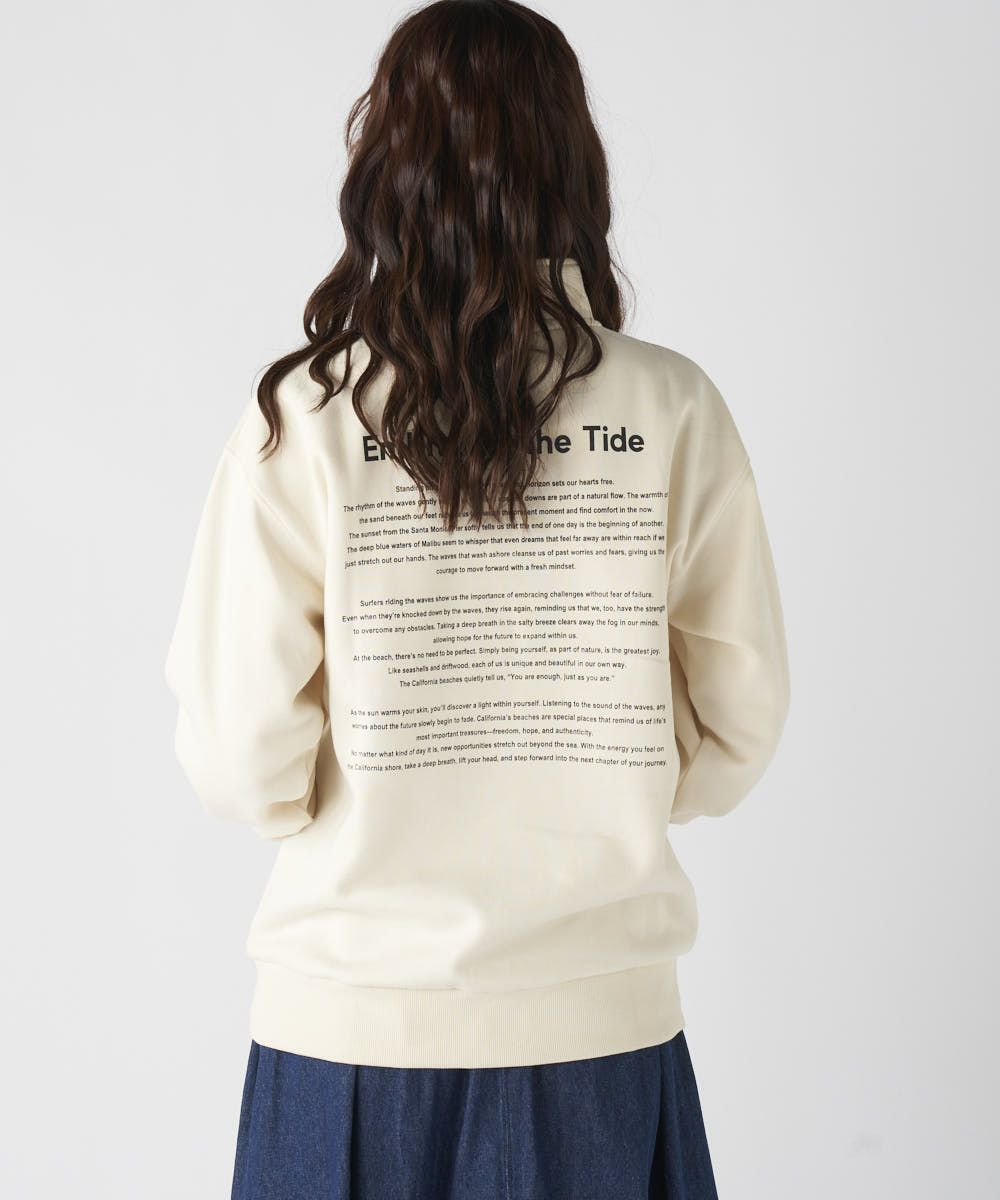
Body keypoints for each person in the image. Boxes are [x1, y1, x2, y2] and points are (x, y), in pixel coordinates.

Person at [163, 1, 791, 1196]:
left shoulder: (305, 418)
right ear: (572, 157)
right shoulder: (671, 407)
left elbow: (241, 759)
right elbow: (738, 727)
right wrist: (604, 778)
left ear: (385, 162)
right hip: (601, 1030)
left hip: (349, 1026)